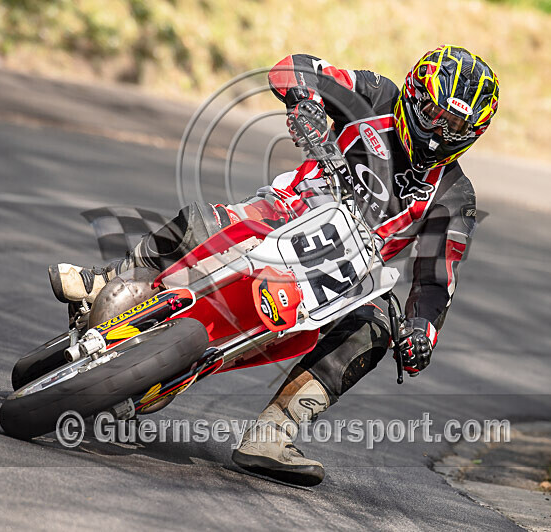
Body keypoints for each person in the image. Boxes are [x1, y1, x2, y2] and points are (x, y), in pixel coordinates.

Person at [48, 45, 499, 486]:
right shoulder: (374, 95)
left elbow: (438, 275)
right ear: (413, 94)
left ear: (473, 132)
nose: (439, 130)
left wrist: (422, 330)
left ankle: (274, 433)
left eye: (455, 124)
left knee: (376, 327)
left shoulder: (456, 195)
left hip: (347, 275)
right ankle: (106, 278)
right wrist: (306, 101)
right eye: (435, 113)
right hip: (289, 210)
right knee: (203, 221)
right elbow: (297, 67)